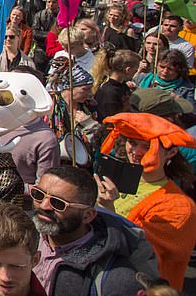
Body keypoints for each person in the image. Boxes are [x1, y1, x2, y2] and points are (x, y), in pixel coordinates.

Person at [96, 113, 196, 290]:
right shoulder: (118, 180)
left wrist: (108, 210)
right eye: (132, 143)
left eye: (148, 146)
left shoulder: (179, 206)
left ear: (171, 152)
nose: (136, 152)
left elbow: (141, 252)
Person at [32, 165, 157, 296]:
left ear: (87, 215)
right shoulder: (23, 236)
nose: (44, 206)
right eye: (38, 195)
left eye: (58, 203)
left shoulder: (115, 277)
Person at [91, 47, 141, 120]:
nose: (136, 72)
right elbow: (112, 118)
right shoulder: (109, 92)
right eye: (135, 70)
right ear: (128, 70)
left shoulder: (122, 86)